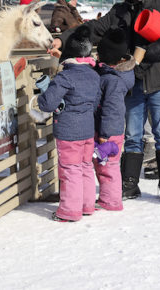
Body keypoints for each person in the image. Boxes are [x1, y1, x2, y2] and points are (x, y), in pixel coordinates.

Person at [48, 0, 160, 203]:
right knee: (133, 134)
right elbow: (93, 28)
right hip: (133, 80)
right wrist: (63, 39)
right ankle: (130, 184)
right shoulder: (119, 11)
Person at [38, 25, 101, 222]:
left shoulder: (65, 77)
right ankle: (87, 204)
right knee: (84, 167)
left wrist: (43, 93)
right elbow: (96, 101)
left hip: (68, 133)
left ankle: (69, 210)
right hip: (87, 130)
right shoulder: (94, 75)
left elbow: (48, 104)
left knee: (70, 170)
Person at [94, 28, 135, 211]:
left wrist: (105, 133)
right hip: (111, 130)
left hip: (110, 132)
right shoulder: (115, 76)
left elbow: (112, 110)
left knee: (108, 167)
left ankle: (111, 201)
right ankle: (109, 198)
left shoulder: (112, 81)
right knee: (107, 166)